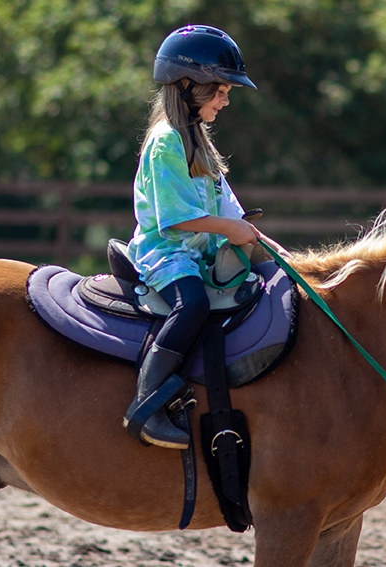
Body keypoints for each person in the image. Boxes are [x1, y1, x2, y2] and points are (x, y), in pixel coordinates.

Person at [122, 25, 282, 450]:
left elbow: (228, 206)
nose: (225, 101)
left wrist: (266, 246)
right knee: (191, 304)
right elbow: (175, 219)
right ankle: (147, 403)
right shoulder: (165, 143)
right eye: (221, 92)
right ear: (190, 86)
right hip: (167, 253)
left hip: (198, 253)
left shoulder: (200, 143)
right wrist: (231, 229)